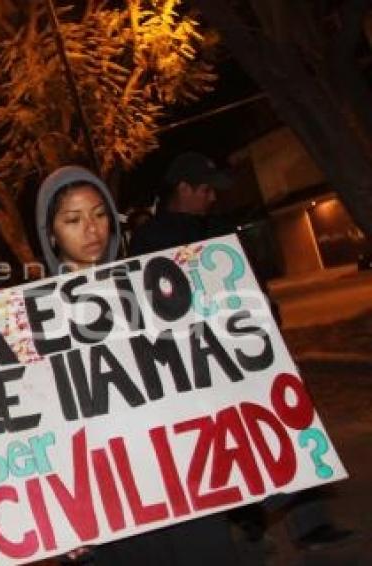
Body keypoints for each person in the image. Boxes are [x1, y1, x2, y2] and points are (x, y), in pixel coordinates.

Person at [130, 151, 352, 551]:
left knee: (285, 432)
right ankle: (248, 520)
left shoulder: (217, 227)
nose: (212, 198)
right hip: (199, 365)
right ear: (183, 189)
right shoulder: (150, 241)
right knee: (230, 445)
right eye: (205, 190)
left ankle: (309, 524)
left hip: (250, 356)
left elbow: (249, 281)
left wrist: (268, 316)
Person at [35, 166, 241, 565]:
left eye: (99, 214)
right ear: (51, 232)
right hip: (111, 501)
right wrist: (64, 522)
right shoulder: (34, 316)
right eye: (73, 220)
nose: (91, 229)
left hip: (185, 480)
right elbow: (41, 425)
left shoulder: (157, 287)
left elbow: (204, 375)